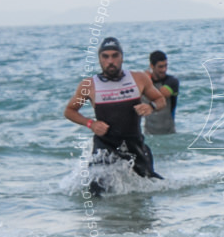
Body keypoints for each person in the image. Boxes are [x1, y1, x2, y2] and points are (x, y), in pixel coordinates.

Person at [64, 37, 166, 190]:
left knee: (149, 187)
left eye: (114, 56)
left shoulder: (138, 78)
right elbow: (69, 111)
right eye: (105, 56)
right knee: (96, 189)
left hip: (134, 144)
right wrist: (91, 124)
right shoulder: (89, 85)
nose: (110, 61)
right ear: (99, 59)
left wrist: (151, 106)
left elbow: (160, 100)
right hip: (104, 146)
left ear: (122, 57)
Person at [143, 50, 180, 135]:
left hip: (168, 134)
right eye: (160, 67)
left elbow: (159, 96)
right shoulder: (144, 82)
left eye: (165, 66)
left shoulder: (172, 81)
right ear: (152, 66)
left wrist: (145, 80)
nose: (164, 69)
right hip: (148, 135)